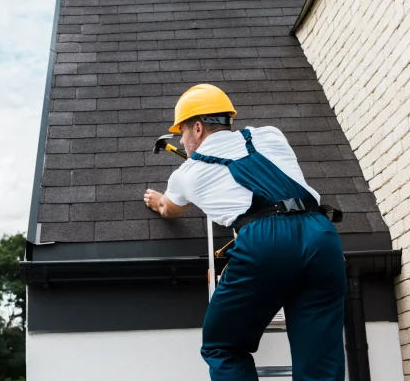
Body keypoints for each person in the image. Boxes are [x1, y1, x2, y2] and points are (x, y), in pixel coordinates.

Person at [143, 84, 347, 380]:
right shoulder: (270, 135)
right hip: (321, 236)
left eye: (183, 132)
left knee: (222, 346)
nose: (183, 140)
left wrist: (158, 199)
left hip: (266, 243)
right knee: (320, 362)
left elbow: (169, 208)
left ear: (197, 128)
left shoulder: (186, 175)